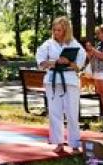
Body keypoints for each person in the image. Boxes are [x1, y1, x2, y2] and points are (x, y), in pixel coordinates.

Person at [36, 16, 87, 153]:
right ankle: (58, 142)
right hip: (53, 80)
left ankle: (75, 143)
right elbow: (41, 62)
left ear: (66, 31)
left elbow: (79, 67)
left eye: (59, 30)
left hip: (70, 80)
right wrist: (54, 62)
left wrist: (69, 62)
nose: (56, 32)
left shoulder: (75, 45)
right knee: (54, 112)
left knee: (72, 113)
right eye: (54, 30)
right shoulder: (47, 44)